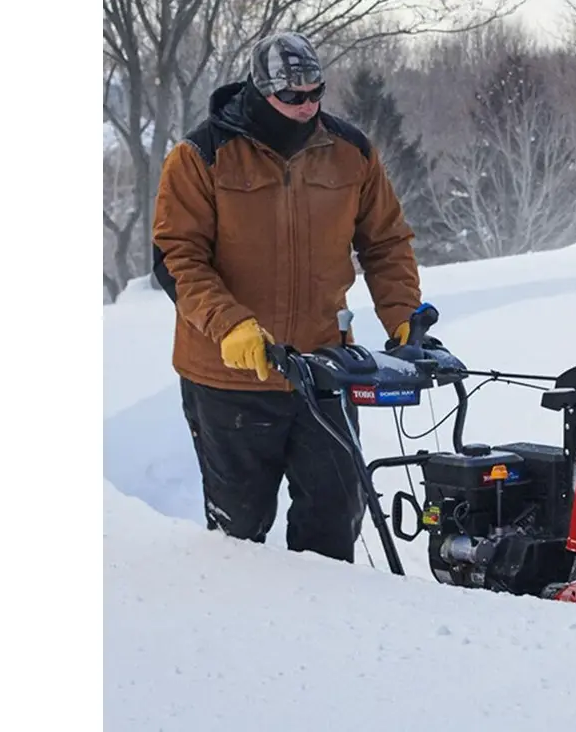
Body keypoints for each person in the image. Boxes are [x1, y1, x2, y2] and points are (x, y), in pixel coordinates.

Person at [151, 31, 422, 563]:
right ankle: (242, 633)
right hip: (231, 376)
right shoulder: (201, 155)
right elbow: (176, 257)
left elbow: (386, 242)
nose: (306, 107)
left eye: (315, 94)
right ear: (260, 90)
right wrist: (230, 324)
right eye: (291, 97)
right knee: (240, 533)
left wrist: (404, 315)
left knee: (335, 520)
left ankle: (325, 637)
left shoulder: (351, 153)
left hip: (325, 369)